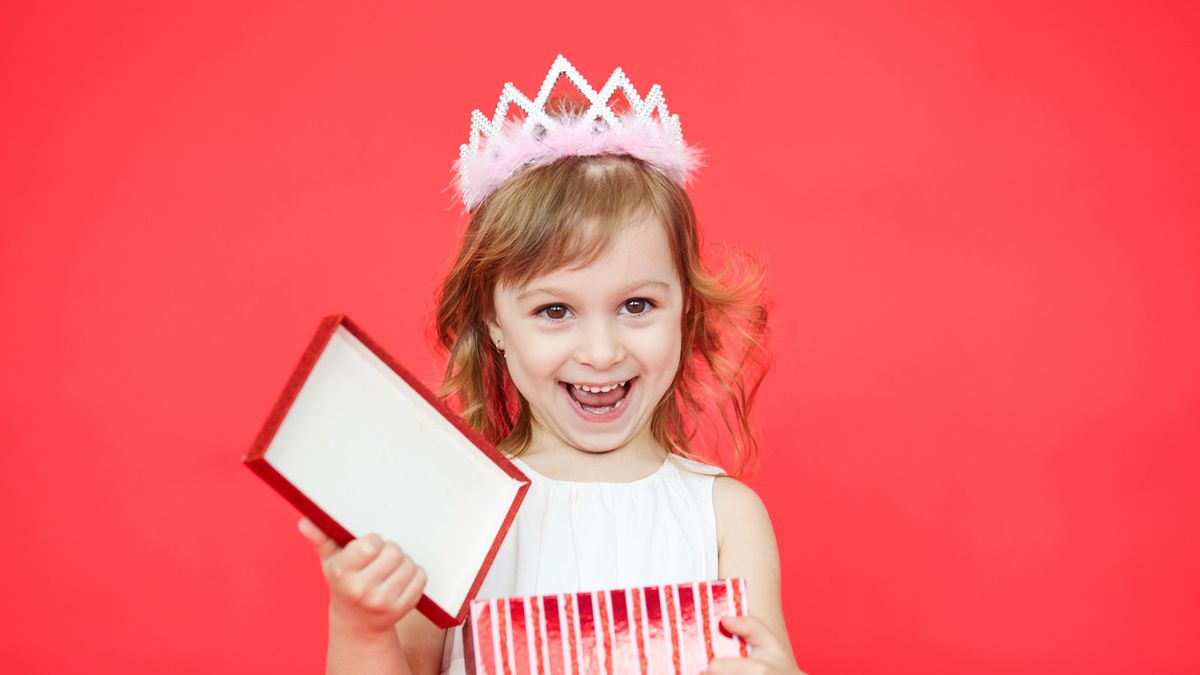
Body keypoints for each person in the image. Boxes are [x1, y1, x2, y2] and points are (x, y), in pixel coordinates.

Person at [297, 55, 807, 675]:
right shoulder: (454, 509)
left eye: (636, 305)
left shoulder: (726, 517)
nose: (600, 351)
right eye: (555, 311)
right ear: (493, 323)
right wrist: (360, 623)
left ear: (684, 311)